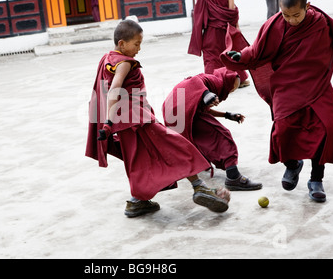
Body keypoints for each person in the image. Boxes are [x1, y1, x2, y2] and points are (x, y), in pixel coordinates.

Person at [221, 0, 333, 202]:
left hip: (316, 84)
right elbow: (257, 49)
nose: (291, 20)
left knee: (326, 128)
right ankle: (293, 164)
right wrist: (242, 56)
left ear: (307, 7)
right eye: (286, 15)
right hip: (286, 84)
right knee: (282, 130)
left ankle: (316, 179)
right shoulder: (275, 24)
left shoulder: (320, 22)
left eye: (296, 15)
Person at [86, 19, 231, 217]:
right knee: (176, 146)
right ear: (122, 44)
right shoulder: (124, 63)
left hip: (123, 124)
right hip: (137, 118)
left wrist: (109, 122)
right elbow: (113, 90)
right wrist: (108, 122)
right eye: (136, 44)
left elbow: (103, 91)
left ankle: (138, 201)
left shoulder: (107, 59)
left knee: (138, 161)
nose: (139, 48)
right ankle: (199, 186)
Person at [162, 68, 262, 191]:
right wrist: (206, 93)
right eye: (231, 87)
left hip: (172, 109)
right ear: (226, 81)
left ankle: (199, 164)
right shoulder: (212, 81)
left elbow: (201, 109)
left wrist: (227, 115)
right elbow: (194, 81)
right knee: (221, 135)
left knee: (195, 138)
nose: (230, 91)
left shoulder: (210, 85)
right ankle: (233, 177)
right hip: (181, 108)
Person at [188, 0, 249, 87]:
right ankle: (239, 79)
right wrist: (236, 27)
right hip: (224, 29)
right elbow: (231, 11)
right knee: (230, 53)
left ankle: (211, 82)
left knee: (211, 57)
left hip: (210, 30)